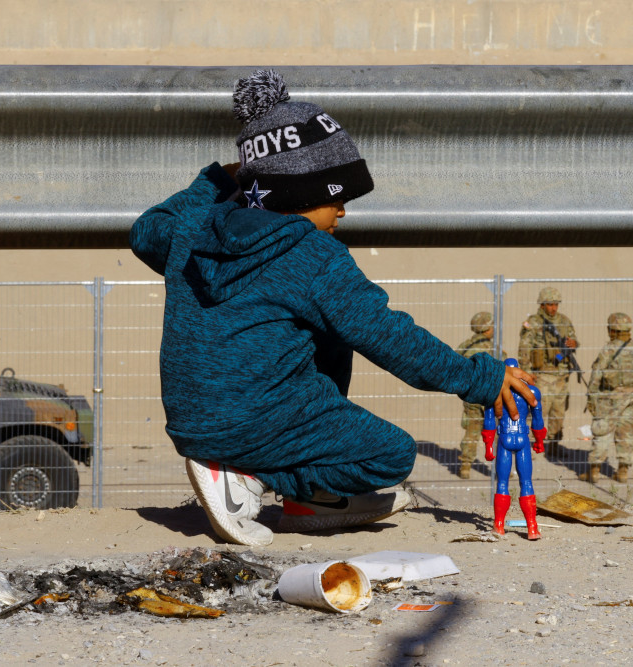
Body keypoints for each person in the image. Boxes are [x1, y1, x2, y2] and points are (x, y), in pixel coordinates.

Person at [130, 69, 537, 547]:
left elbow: (145, 231)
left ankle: (309, 501)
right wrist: (479, 380)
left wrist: (226, 176)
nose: (343, 210)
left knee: (323, 333)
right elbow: (386, 335)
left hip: (192, 419)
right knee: (391, 455)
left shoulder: (193, 230)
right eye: (337, 196)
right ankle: (248, 479)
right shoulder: (312, 257)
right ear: (304, 193)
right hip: (251, 423)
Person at [582, 313, 633, 483]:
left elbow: (596, 375)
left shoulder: (609, 350)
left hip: (610, 397)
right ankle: (622, 471)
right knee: (626, 432)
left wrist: (592, 397)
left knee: (602, 431)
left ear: (612, 330)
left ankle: (594, 472)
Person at [482, 359, 546, 540]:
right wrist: (540, 441)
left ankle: (499, 525)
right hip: (522, 437)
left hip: (504, 438)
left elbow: (488, 422)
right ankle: (532, 527)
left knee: (502, 482)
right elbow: (538, 422)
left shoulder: (494, 390)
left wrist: (488, 447)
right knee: (526, 482)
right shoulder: (532, 391)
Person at [518, 287, 580, 453]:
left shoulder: (564, 322)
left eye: (556, 304)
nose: (553, 308)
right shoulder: (533, 323)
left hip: (560, 376)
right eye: (550, 304)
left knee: (558, 413)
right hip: (541, 375)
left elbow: (573, 341)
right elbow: (524, 349)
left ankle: (554, 445)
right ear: (543, 304)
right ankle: (530, 445)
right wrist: (526, 372)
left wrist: (573, 344)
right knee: (538, 412)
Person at [455, 311, 504, 479]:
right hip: (491, 396)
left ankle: (466, 466)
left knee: (472, 432)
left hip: (471, 395)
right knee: (497, 432)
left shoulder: (465, 346)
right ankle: (500, 468)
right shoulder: (493, 349)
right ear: (487, 329)